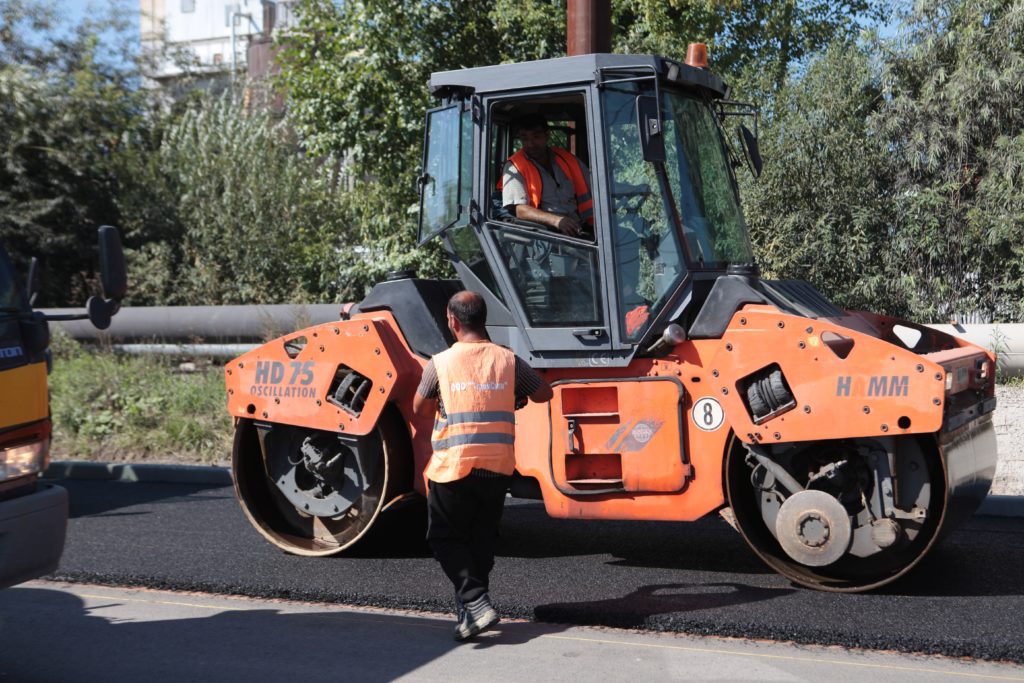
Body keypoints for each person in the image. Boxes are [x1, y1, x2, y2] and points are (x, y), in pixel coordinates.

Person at [412, 290, 553, 642]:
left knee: (444, 537)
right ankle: (472, 613)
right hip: (497, 466)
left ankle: (474, 601)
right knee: (481, 539)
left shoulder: (440, 363)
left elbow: (419, 407)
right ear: (482, 319)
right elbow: (544, 394)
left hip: (454, 465)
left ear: (452, 320)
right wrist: (512, 396)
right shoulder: (507, 360)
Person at [500, 113, 594, 239]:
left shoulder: (567, 159)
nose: (530, 144)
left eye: (536, 137)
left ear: (547, 135)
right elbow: (520, 210)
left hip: (578, 229)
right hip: (545, 237)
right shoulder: (514, 167)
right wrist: (557, 221)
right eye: (525, 138)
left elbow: (596, 184)